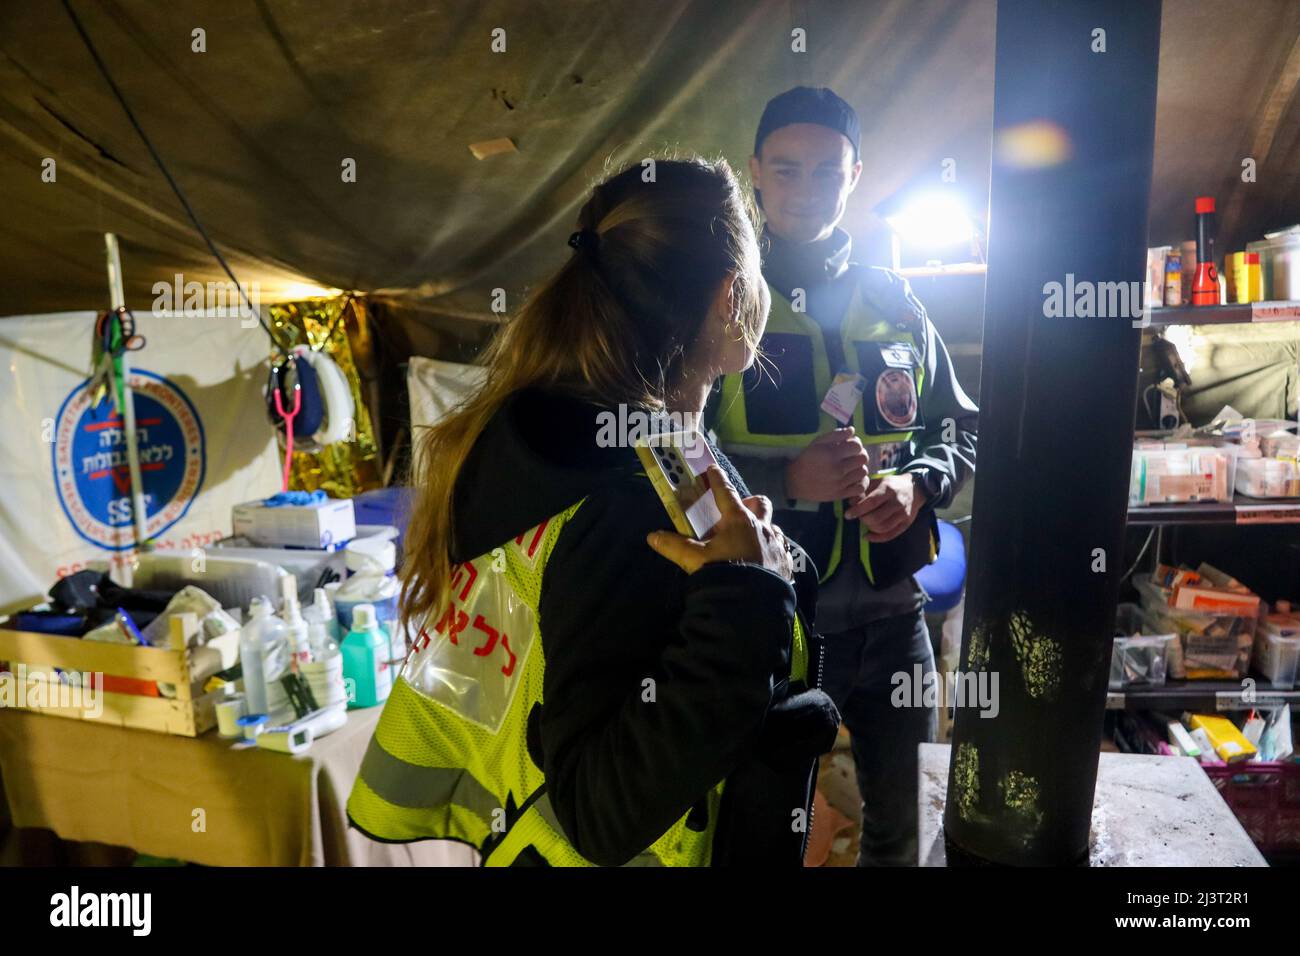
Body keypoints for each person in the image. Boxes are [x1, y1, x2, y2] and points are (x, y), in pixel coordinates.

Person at [348, 156, 840, 867]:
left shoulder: (542, 439)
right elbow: (598, 808)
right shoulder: (624, 500)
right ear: (731, 296)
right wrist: (746, 596)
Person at [707, 87, 979, 867]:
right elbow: (672, 456)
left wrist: (918, 484)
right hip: (772, 616)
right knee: (760, 830)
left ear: (854, 175)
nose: (803, 190)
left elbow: (956, 426)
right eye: (785, 170)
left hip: (896, 620)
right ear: (755, 173)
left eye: (826, 172)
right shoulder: (722, 304)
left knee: (902, 828)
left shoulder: (897, 302)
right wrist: (785, 476)